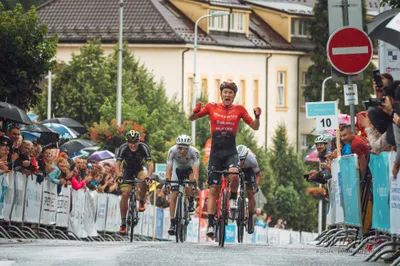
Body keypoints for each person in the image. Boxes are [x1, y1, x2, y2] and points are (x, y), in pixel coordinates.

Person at [188, 81, 261, 238]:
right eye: (225, 92)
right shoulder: (211, 107)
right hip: (215, 153)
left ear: (234, 95)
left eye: (230, 93)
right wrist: (194, 112)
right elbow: (191, 119)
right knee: (213, 189)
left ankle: (233, 198)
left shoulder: (239, 110)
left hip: (230, 152)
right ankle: (211, 225)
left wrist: (257, 117)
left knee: (234, 174)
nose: (227, 95)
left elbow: (255, 127)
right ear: (221, 94)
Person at [115, 130, 154, 234]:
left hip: (139, 169)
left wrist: (149, 176)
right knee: (125, 194)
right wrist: (119, 175)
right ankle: (123, 223)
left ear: (139, 141)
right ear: (127, 142)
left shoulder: (144, 147)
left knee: (144, 179)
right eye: (130, 142)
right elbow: (117, 164)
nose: (133, 145)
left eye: (135, 142)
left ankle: (142, 199)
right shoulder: (123, 148)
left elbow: (150, 164)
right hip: (126, 170)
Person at [166, 135, 200, 236]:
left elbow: (196, 169)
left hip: (189, 169)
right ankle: (172, 223)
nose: (181, 150)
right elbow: (169, 167)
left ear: (188, 147)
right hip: (177, 169)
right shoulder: (172, 151)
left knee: (190, 184)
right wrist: (168, 180)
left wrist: (194, 183)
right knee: (174, 195)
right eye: (179, 147)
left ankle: (190, 200)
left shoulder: (194, 152)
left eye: (183, 148)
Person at [237, 145, 261, 234]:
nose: (240, 161)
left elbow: (258, 174)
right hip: (237, 169)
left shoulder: (252, 160)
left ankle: (250, 217)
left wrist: (256, 186)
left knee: (251, 194)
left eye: (242, 159)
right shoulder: (234, 157)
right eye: (239, 159)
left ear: (246, 157)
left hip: (249, 170)